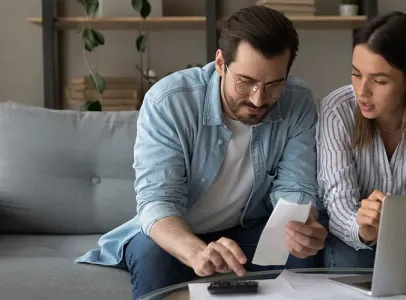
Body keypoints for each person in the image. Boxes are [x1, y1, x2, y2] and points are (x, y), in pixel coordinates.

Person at [76, 6, 328, 299]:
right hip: (175, 233)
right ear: (220, 63)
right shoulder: (169, 102)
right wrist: (196, 252)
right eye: (245, 82)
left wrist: (302, 224)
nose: (259, 98)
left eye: (273, 85)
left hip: (246, 230)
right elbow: (157, 203)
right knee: (153, 256)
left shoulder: (297, 100)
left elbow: (295, 187)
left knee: (305, 251)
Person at [317, 11, 406, 268]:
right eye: (356, 74)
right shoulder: (337, 109)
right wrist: (364, 230)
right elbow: (337, 200)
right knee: (351, 261)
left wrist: (399, 225)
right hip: (352, 239)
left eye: (379, 80)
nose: (362, 92)